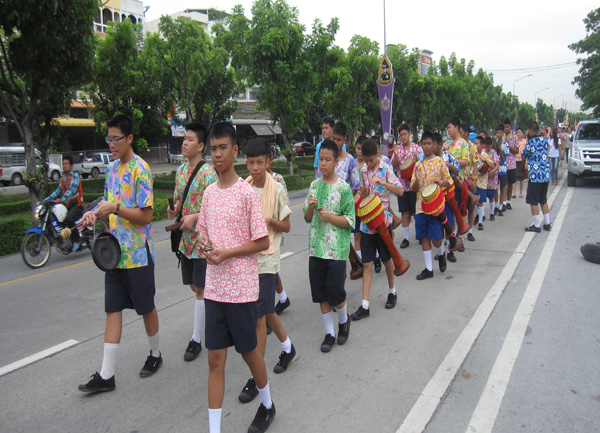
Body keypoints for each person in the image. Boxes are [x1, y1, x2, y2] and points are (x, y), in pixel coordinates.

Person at [196, 123, 275, 433]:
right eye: (213, 149)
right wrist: (206, 248)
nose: (217, 154)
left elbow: (263, 242)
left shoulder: (245, 193)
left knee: (248, 353)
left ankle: (267, 403)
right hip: (214, 290)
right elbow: (204, 235)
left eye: (223, 148)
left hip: (241, 291)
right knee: (215, 360)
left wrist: (227, 253)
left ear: (234, 151)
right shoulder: (209, 194)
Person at [78, 114, 161, 393]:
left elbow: (146, 216)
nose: (111, 144)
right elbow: (108, 207)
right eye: (108, 139)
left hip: (137, 255)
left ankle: (155, 354)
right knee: (112, 309)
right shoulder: (111, 170)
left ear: (129, 139)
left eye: (116, 139)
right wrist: (96, 215)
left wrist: (113, 209)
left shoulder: (141, 169)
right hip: (113, 255)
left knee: (145, 307)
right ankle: (106, 375)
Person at [238, 138, 295, 406]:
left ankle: (255, 376)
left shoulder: (278, 189)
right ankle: (287, 347)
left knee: (259, 316)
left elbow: (286, 226)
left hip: (268, 258)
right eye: (250, 163)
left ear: (269, 161)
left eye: (260, 162)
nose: (255, 168)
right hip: (248, 258)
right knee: (267, 312)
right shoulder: (244, 187)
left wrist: (271, 221)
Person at [167, 123, 217, 362]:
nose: (184, 143)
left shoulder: (209, 174)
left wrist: (195, 217)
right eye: (183, 139)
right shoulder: (180, 172)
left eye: (189, 139)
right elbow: (178, 201)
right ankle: (216, 316)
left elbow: (214, 209)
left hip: (202, 242)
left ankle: (196, 339)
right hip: (185, 243)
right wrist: (173, 209)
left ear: (200, 146)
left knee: (201, 289)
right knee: (194, 288)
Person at [304, 139, 354, 353]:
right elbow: (306, 217)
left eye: (327, 160)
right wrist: (311, 208)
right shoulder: (314, 185)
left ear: (336, 162)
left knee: (335, 292)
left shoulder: (343, 188)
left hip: (336, 251)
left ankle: (343, 321)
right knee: (321, 295)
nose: (323, 164)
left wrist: (331, 218)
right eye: (320, 159)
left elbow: (350, 220)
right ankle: (329, 333)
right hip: (316, 249)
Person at [351, 138, 404, 320]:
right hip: (367, 224)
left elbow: (400, 191)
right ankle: (365, 305)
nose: (368, 163)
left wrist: (382, 183)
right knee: (367, 263)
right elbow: (362, 192)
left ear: (377, 155)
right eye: (365, 160)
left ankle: (392, 291)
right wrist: (361, 193)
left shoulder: (386, 169)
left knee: (387, 259)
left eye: (371, 160)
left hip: (383, 223)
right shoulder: (364, 170)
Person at [411, 131, 452, 280]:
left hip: (435, 206)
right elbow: (414, 188)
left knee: (436, 238)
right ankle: (428, 268)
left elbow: (448, 180)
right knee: (424, 236)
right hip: (420, 206)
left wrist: (441, 182)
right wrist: (417, 179)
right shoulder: (418, 165)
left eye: (429, 143)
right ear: (421, 146)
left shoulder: (440, 162)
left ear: (434, 145)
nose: (427, 146)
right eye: (424, 144)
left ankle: (441, 253)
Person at [391, 123, 423, 249]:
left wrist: (416, 159)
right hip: (402, 186)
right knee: (404, 211)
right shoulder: (397, 149)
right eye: (401, 135)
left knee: (416, 212)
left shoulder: (417, 148)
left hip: (414, 185)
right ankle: (405, 238)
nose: (403, 137)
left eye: (405, 134)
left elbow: (422, 164)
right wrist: (396, 156)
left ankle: (419, 235)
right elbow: (393, 167)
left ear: (410, 134)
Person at [266, 155, 291, 315]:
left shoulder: (277, 179)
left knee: (269, 268)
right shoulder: (250, 181)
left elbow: (285, 205)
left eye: (262, 161)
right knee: (269, 268)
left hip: (274, 230)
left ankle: (267, 313)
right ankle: (282, 298)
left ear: (270, 160)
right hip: (259, 232)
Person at [44, 154, 84, 251]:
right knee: (60, 219)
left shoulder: (75, 176)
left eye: (67, 164)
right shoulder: (62, 179)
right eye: (63, 164)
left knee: (69, 219)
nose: (65, 165)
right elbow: (57, 191)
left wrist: (61, 200)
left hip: (77, 205)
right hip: (68, 206)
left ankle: (77, 240)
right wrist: (46, 200)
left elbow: (70, 191)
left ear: (71, 166)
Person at [522, 121, 552, 233]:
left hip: (535, 175)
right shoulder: (545, 140)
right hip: (545, 174)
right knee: (543, 199)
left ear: (531, 130)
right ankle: (547, 223)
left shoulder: (530, 143)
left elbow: (524, 154)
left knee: (533, 200)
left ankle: (537, 225)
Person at [471, 136, 494, 231]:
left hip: (482, 182)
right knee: (473, 201)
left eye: (477, 143)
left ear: (481, 145)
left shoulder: (484, 155)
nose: (475, 145)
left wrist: (484, 161)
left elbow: (492, 165)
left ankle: (480, 221)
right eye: (474, 143)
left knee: (480, 202)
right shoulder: (472, 154)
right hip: (474, 181)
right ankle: (477, 215)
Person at [503, 118, 520, 205]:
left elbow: (517, 151)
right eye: (505, 127)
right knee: (503, 184)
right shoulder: (501, 137)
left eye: (507, 127)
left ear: (510, 127)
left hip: (511, 164)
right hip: (503, 164)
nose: (506, 129)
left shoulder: (514, 137)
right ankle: (503, 201)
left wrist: (509, 147)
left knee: (510, 183)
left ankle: (508, 201)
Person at [484, 137, 500, 221]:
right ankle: (482, 214)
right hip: (484, 177)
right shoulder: (482, 152)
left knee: (491, 196)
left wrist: (493, 170)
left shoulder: (493, 153)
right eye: (485, 146)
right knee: (482, 196)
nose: (487, 148)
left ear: (491, 145)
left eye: (488, 146)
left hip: (491, 178)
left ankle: (492, 213)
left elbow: (497, 164)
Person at [495, 125, 508, 215]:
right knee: (495, 188)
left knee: (503, 187)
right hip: (496, 169)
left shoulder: (506, 144)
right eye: (497, 133)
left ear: (503, 133)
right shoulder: (495, 143)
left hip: (503, 169)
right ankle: (496, 205)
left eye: (499, 132)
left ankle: (501, 206)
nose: (498, 134)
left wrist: (500, 150)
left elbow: (503, 158)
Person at [515, 128, 527, 198]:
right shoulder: (515, 141)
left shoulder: (525, 142)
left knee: (522, 178)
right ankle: (514, 192)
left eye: (520, 132)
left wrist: (526, 162)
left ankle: (520, 192)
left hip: (522, 160)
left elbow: (526, 152)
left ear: (523, 134)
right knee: (515, 178)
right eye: (518, 132)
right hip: (515, 160)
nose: (519, 134)